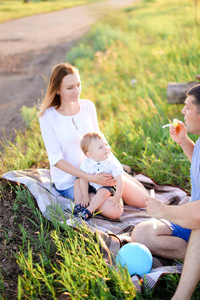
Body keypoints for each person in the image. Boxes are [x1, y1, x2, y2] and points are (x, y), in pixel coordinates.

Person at [38, 62, 148, 220]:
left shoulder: (88, 106)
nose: (77, 91)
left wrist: (115, 168)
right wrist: (90, 178)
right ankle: (106, 195)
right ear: (57, 90)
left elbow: (100, 142)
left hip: (99, 168)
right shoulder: (48, 116)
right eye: (70, 88)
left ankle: (121, 177)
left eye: (78, 85)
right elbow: (56, 159)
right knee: (115, 211)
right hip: (72, 180)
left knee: (144, 200)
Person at [132, 84, 200, 299]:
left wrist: (163, 211)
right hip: (193, 216)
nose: (182, 112)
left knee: (199, 228)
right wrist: (184, 142)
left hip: (197, 219)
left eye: (187, 108)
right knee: (141, 233)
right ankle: (192, 260)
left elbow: (198, 216)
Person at [74, 132, 124, 220]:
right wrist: (85, 196)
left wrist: (117, 197)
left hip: (104, 186)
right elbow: (84, 179)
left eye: (106, 144)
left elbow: (120, 181)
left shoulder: (111, 162)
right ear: (90, 155)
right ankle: (79, 205)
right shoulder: (86, 163)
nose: (106, 148)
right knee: (78, 182)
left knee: (103, 192)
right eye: (101, 147)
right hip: (89, 184)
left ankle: (88, 211)